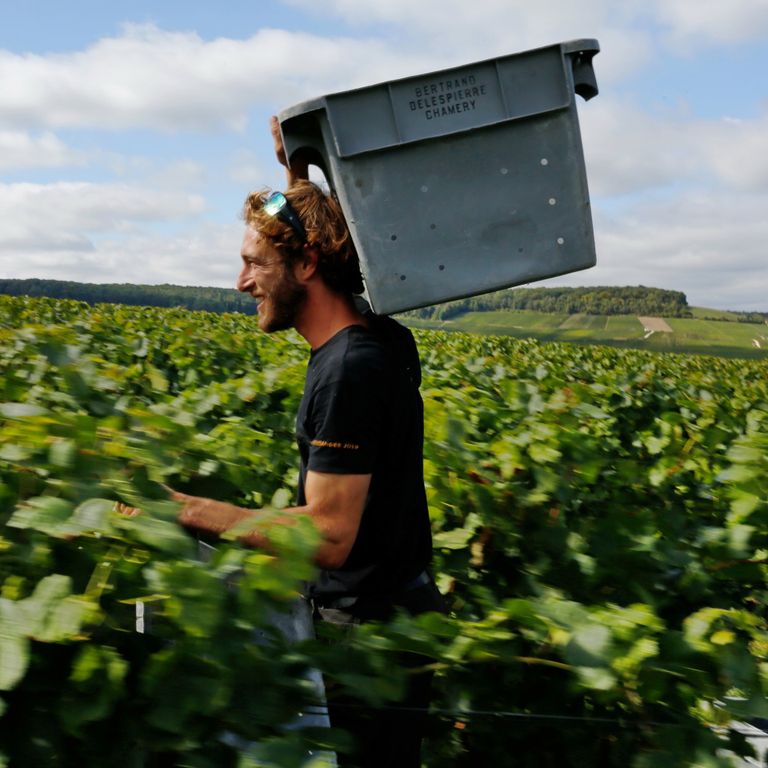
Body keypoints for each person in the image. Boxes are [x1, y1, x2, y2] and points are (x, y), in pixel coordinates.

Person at [169, 118, 445, 766]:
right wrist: (295, 181)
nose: (242, 283)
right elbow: (325, 245)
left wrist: (187, 511)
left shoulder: (349, 372)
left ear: (307, 263)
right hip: (397, 616)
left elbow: (327, 534)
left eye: (253, 264)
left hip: (368, 641)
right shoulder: (380, 337)